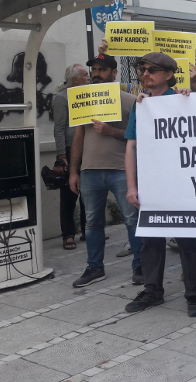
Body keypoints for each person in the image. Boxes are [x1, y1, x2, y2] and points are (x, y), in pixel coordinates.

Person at [123, 52, 196, 317]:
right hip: (151, 185)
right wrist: (132, 186)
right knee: (151, 240)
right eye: (142, 69)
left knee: (187, 242)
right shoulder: (141, 105)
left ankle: (194, 294)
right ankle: (152, 290)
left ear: (169, 75)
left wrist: (190, 94)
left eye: (152, 70)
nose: (145, 74)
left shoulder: (182, 99)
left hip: (181, 185)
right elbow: (131, 146)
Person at [68, 54, 140, 287]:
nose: (97, 74)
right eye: (94, 70)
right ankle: (95, 267)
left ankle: (140, 265)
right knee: (91, 224)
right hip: (90, 171)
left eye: (102, 70)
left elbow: (140, 137)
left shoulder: (130, 101)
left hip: (122, 170)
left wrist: (112, 132)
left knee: (132, 220)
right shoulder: (83, 100)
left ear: (114, 73)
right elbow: (78, 137)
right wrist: (74, 171)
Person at [54, 64, 89, 250]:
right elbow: (59, 128)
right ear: (75, 79)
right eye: (85, 75)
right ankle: (68, 234)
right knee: (69, 194)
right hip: (69, 149)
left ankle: (87, 230)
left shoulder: (87, 95)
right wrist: (61, 155)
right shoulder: (61, 98)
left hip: (87, 147)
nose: (88, 78)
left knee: (88, 192)